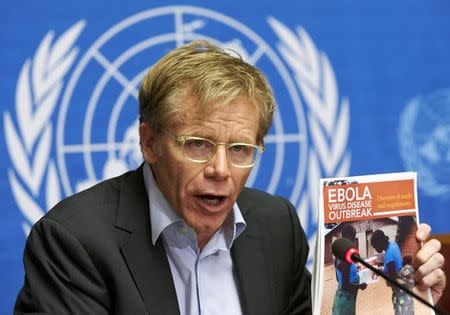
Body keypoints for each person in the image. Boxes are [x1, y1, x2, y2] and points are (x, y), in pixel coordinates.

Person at [14, 40, 446, 315]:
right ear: (149, 143)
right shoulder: (73, 241)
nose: (221, 170)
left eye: (240, 149)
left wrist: (405, 297)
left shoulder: (276, 225)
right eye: (198, 143)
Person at [332, 225, 367, 315]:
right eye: (353, 238)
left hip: (339, 298)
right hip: (346, 302)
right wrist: (361, 285)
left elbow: (338, 279)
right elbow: (346, 285)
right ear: (351, 238)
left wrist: (356, 271)